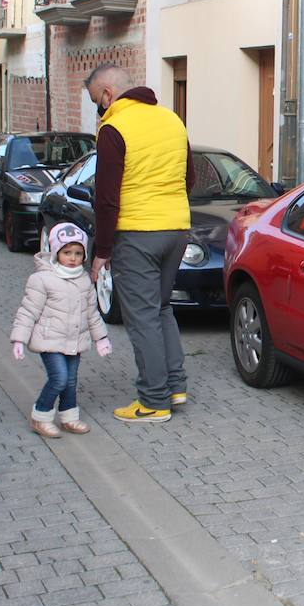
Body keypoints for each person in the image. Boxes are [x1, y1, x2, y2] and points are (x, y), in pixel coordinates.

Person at [83, 63, 195, 424]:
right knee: (162, 308)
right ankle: (175, 386)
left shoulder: (114, 127)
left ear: (107, 95)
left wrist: (101, 251)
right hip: (176, 228)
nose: (98, 111)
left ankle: (153, 400)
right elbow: (189, 177)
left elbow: (106, 198)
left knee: (141, 317)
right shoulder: (172, 120)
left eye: (96, 103)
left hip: (137, 233)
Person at [10, 223, 112, 437]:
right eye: (67, 252)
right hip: (50, 340)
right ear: (56, 252)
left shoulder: (84, 279)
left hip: (74, 340)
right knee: (59, 379)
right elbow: (28, 311)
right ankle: (40, 415)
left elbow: (91, 312)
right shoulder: (42, 279)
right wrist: (19, 338)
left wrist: (101, 338)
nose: (73, 258)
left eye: (77, 253)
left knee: (71, 381)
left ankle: (68, 417)